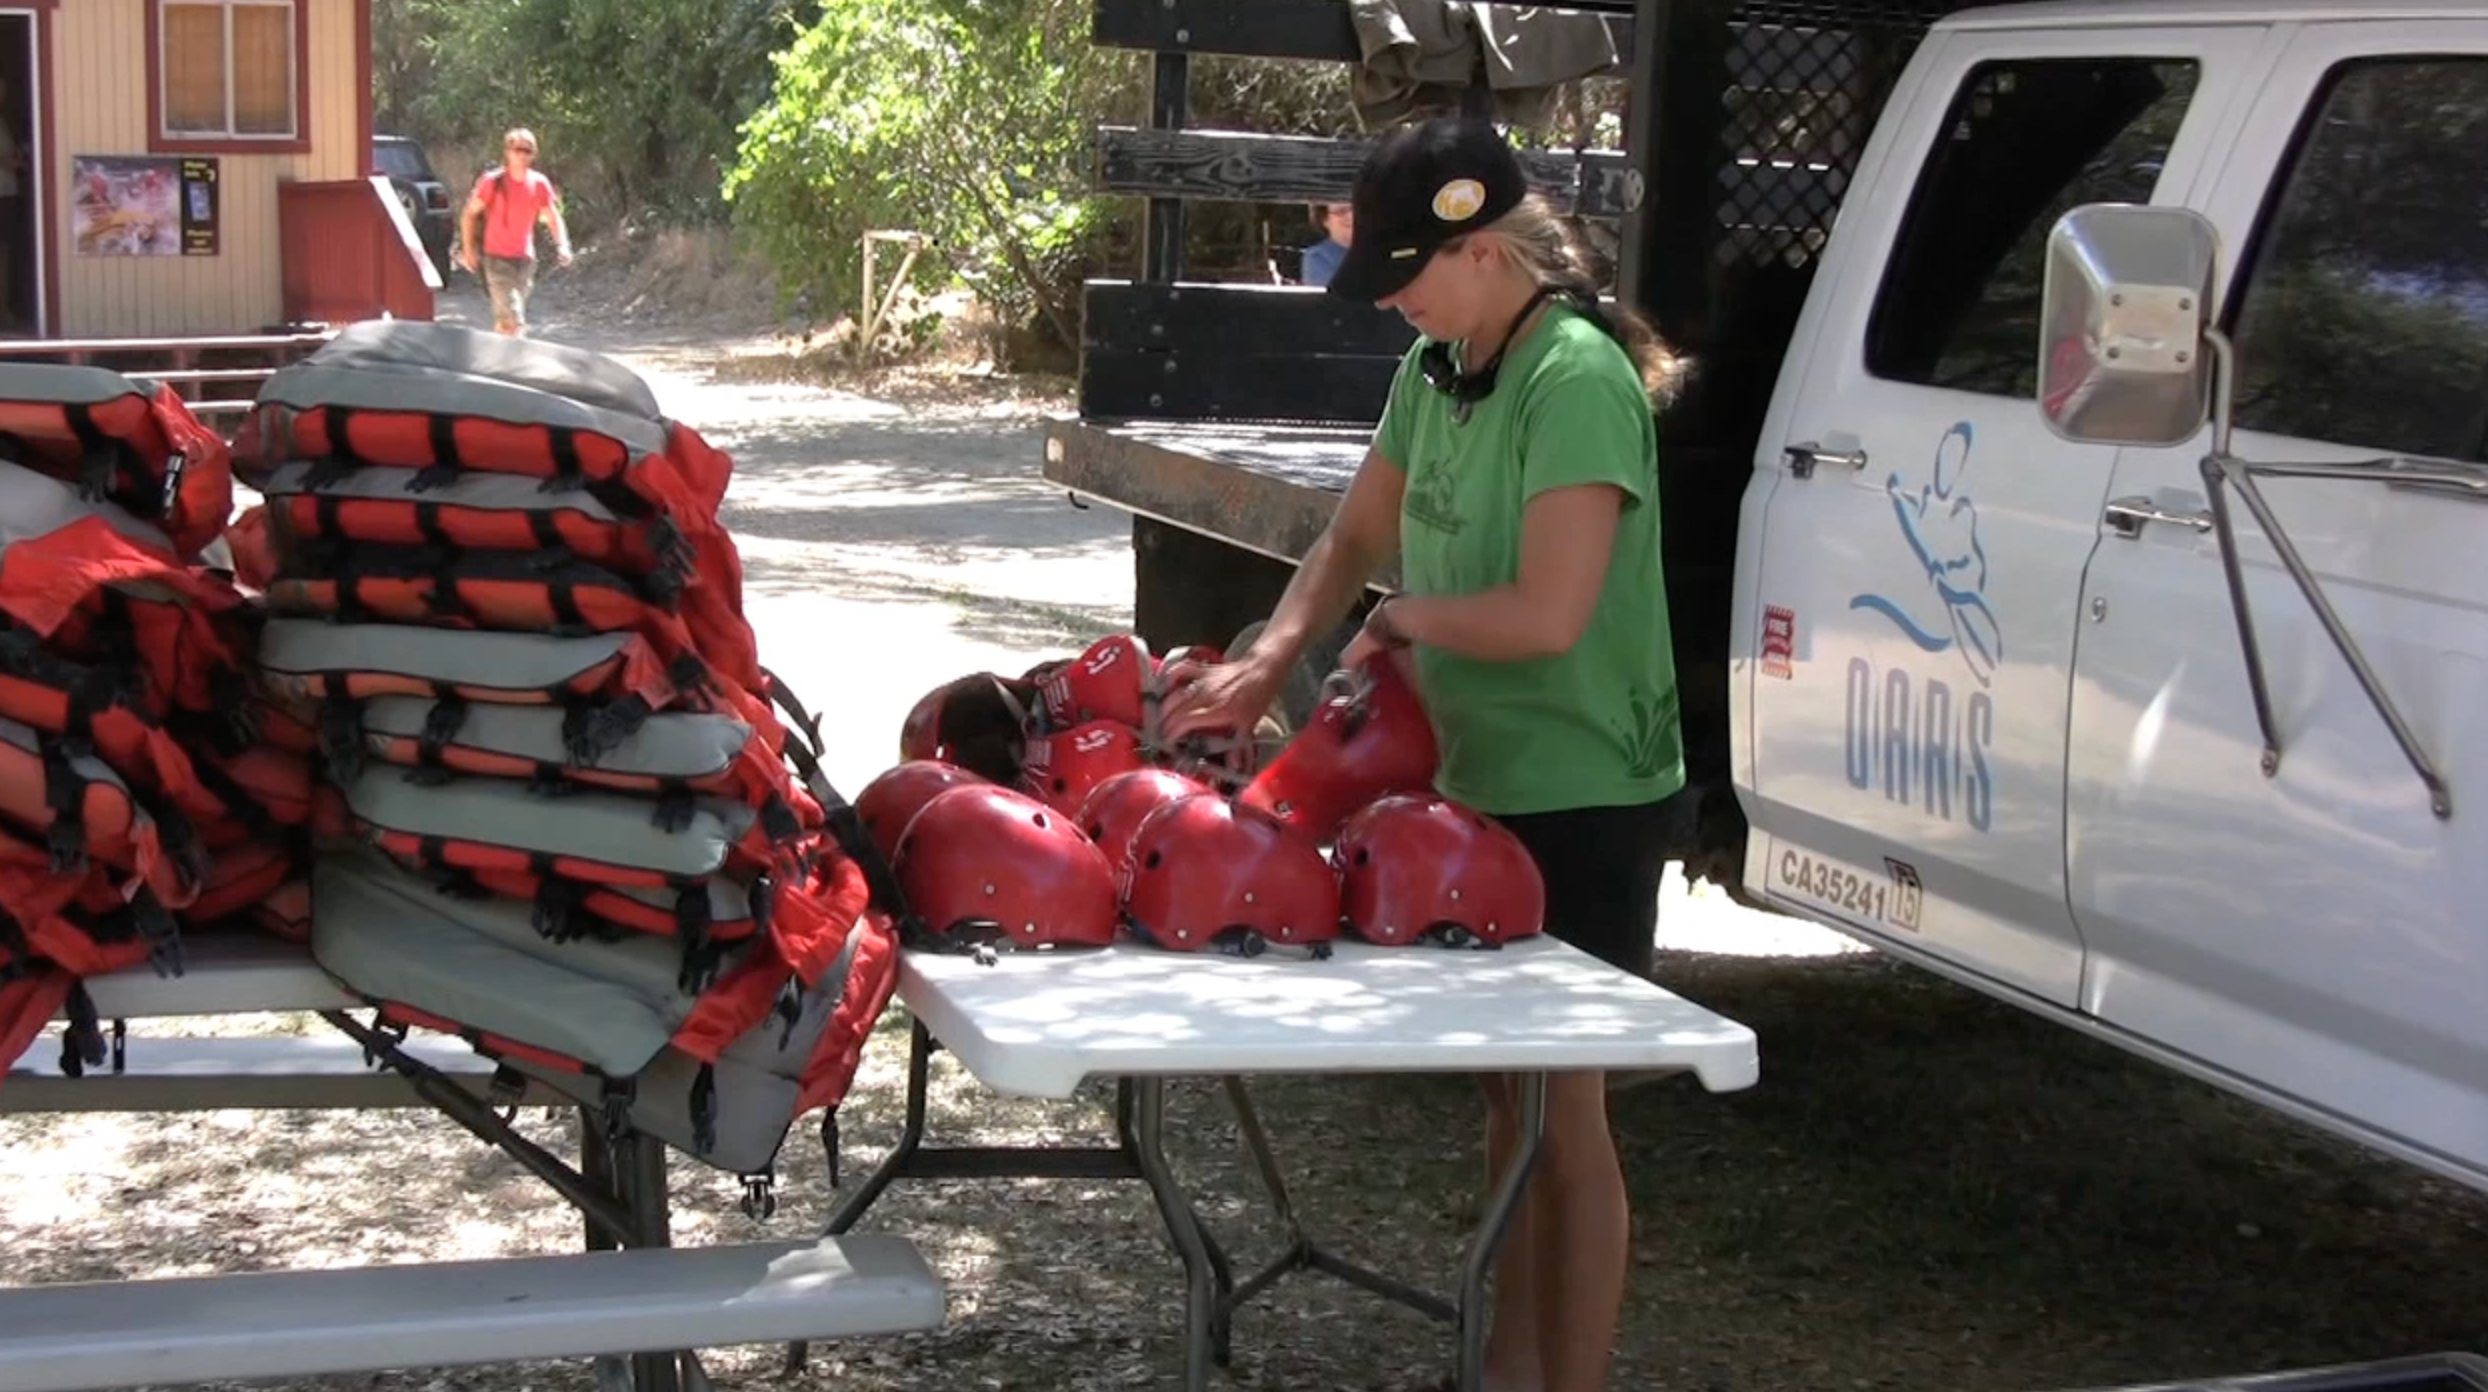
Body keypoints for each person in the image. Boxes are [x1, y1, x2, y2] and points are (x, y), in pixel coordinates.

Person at [1159, 116, 1690, 1392]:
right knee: (1508, 1105)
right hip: (1473, 784)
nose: (1393, 303)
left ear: (1483, 249)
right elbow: (1349, 537)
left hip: (1585, 793)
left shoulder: (1574, 377)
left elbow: (1547, 614)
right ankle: (1505, 1368)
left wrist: (1401, 621)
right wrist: (1269, 662)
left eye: (1407, 276)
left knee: (1566, 1115)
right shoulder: (1440, 365)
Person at [458, 127, 573, 336]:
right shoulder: (492, 182)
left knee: (505, 321)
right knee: (514, 319)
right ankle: (517, 354)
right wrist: (469, 250)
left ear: (533, 154)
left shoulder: (539, 183)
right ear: (507, 152)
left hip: (525, 262)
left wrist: (563, 245)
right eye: (517, 149)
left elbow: (553, 218)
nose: (521, 155)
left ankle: (496, 351)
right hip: (495, 259)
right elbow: (469, 215)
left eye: (527, 151)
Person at [1300, 200, 1354, 287]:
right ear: (1324, 219)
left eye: (1358, 209)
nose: (1351, 215)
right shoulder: (1318, 256)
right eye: (1341, 211)